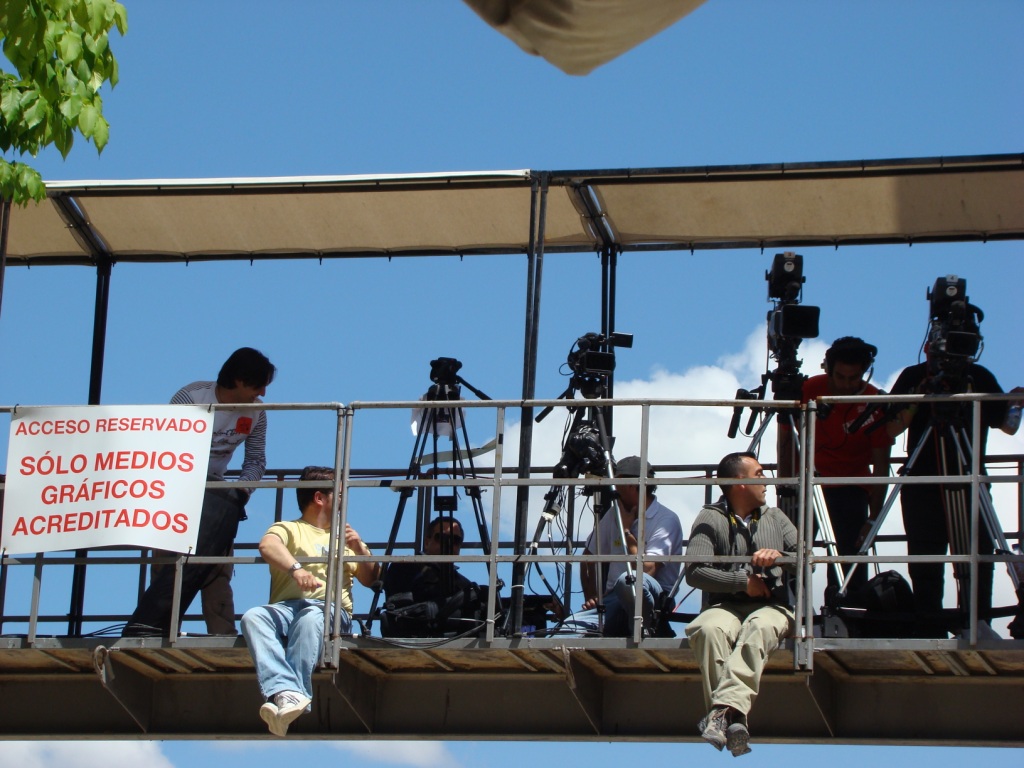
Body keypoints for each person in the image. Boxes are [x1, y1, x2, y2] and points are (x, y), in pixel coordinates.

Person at [123, 347, 276, 637]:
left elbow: (256, 460)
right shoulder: (191, 399)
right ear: (239, 380)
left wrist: (241, 493)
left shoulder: (257, 413)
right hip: (176, 493)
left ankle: (222, 636)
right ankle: (158, 633)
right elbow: (164, 451)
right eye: (258, 385)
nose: (263, 394)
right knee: (169, 565)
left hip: (219, 498)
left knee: (217, 571)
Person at [887, 342, 1022, 635]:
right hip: (924, 482)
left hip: (967, 478)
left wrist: (1013, 403)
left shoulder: (977, 377)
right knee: (925, 560)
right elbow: (890, 426)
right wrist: (919, 394)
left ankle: (976, 624)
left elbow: (1008, 425)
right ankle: (929, 627)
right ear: (925, 349)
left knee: (978, 556)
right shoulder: (915, 377)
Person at [241, 466, 380, 737]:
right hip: (285, 608)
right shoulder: (289, 528)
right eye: (339, 494)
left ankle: (286, 692)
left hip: (329, 610)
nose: (343, 500)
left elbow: (372, 578)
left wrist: (360, 549)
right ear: (320, 498)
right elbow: (268, 545)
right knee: (253, 617)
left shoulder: (345, 538)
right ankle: (287, 695)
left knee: (310, 618)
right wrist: (297, 569)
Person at [685, 452, 799, 757]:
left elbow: (807, 560)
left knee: (759, 627)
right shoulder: (710, 517)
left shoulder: (777, 517)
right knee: (706, 629)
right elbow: (695, 571)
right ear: (740, 482)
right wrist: (742, 582)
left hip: (773, 608)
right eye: (759, 475)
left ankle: (721, 714)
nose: (766, 482)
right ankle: (735, 721)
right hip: (726, 606)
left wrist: (781, 557)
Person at [778, 337, 892, 601]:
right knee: (791, 552)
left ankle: (846, 614)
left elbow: (882, 464)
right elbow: (785, 437)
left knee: (849, 561)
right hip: (807, 483)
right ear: (827, 369)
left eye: (855, 379)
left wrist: (873, 519)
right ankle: (790, 608)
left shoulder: (873, 401)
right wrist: (785, 487)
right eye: (840, 377)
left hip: (852, 488)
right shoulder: (808, 389)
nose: (847, 385)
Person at [576, 455, 683, 637]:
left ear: (632, 485)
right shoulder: (613, 514)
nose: (614, 489)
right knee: (565, 631)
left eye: (618, 483)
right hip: (612, 601)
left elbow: (647, 571)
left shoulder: (666, 520)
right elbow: (587, 558)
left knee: (629, 580)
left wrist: (626, 532)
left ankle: (645, 627)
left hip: (653, 597)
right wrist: (592, 597)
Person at [380, 515, 484, 637]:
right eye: (441, 538)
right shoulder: (405, 567)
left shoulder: (465, 585)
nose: (448, 544)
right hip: (415, 639)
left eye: (455, 540)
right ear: (427, 542)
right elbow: (402, 613)